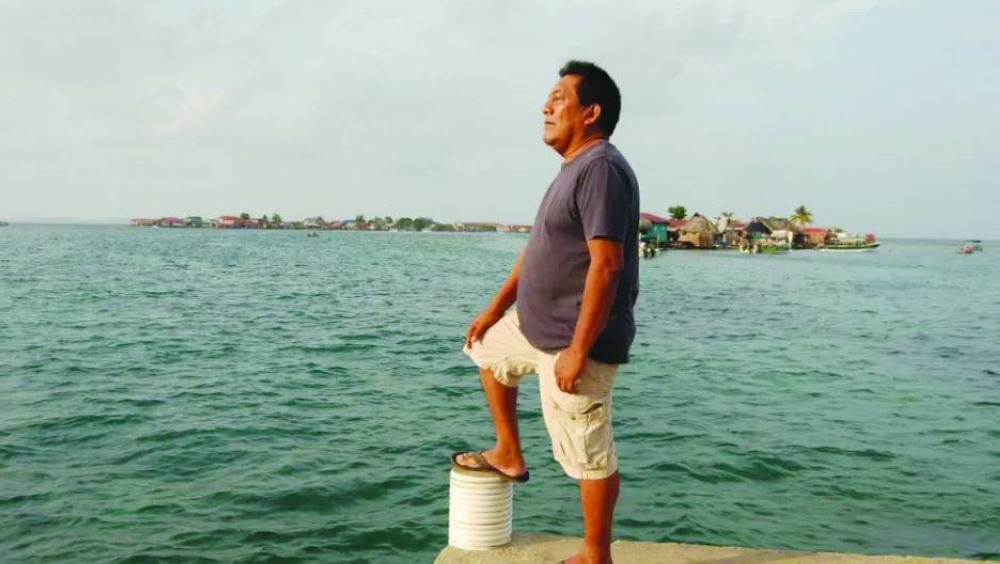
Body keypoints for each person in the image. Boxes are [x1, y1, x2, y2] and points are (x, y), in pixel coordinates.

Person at [452, 60, 639, 564]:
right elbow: (536, 251)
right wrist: (493, 312)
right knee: (485, 350)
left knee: (588, 454)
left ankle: (595, 555)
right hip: (533, 328)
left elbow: (607, 265)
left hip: (573, 340)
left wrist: (578, 351)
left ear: (590, 112)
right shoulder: (572, 169)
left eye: (559, 97)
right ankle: (508, 453)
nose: (546, 106)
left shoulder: (600, 167)